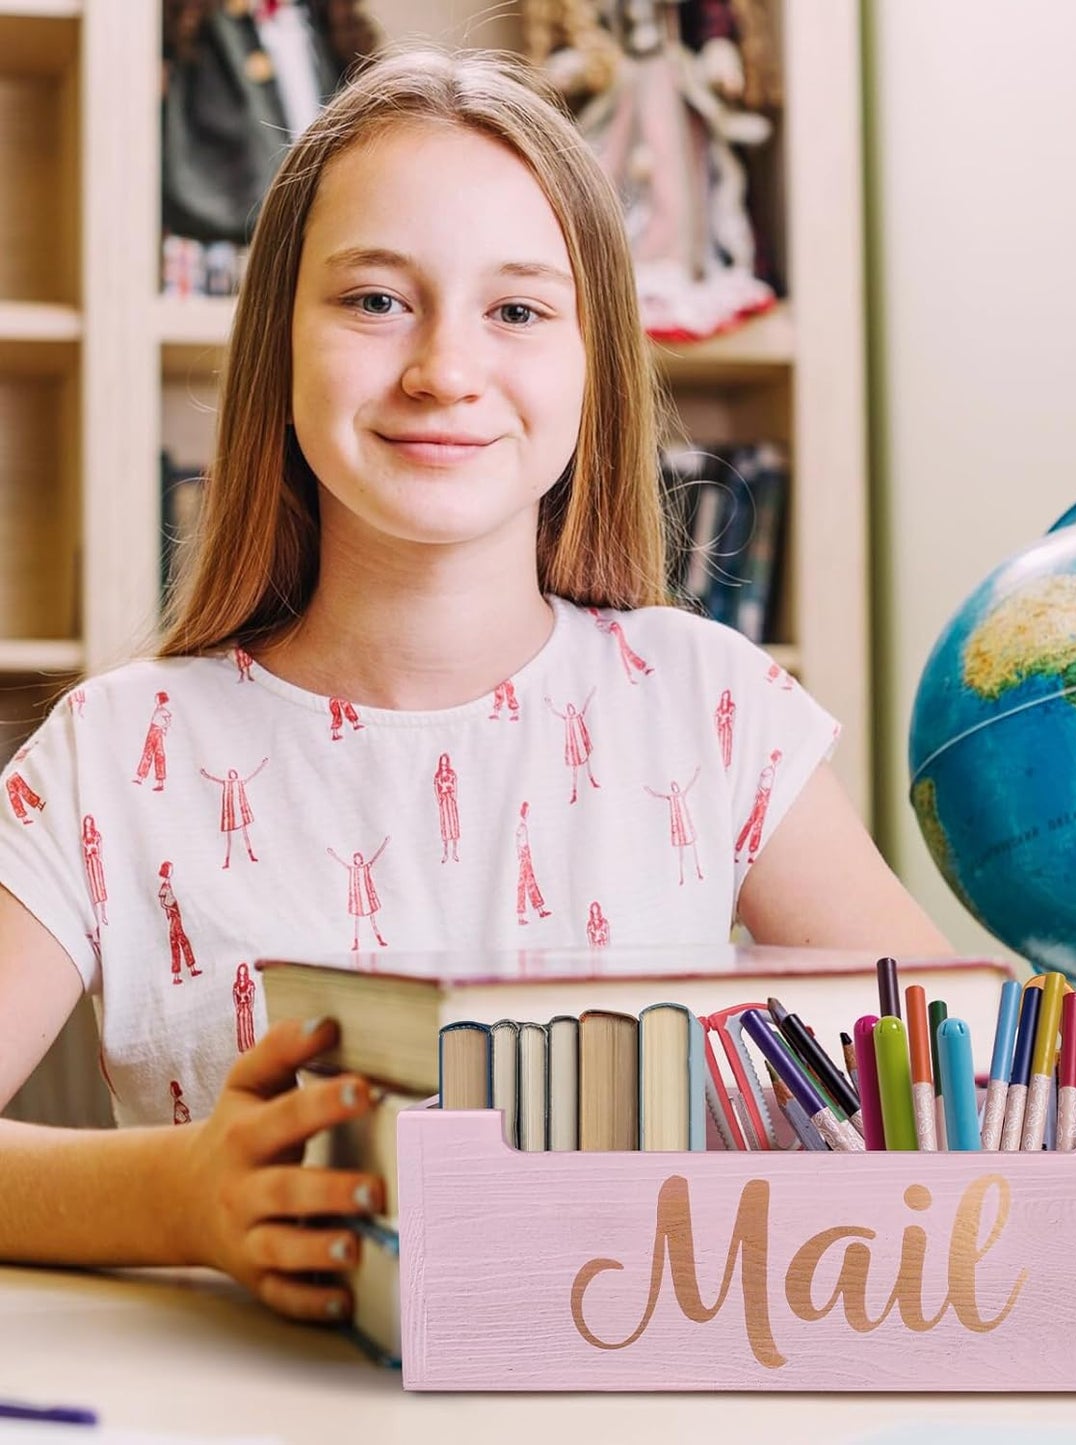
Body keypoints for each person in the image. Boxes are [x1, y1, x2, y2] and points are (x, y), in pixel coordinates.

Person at [0, 47, 950, 1331]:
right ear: (277, 343)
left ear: (590, 363)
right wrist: (177, 1195)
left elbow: (962, 1091)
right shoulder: (117, 753)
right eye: (377, 299)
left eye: (516, 311)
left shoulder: (710, 710)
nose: (444, 368)